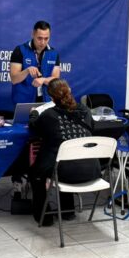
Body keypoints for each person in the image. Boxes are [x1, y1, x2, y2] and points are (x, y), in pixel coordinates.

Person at [28, 79, 100, 226]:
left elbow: (34, 127)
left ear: (51, 98)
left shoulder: (49, 115)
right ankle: (68, 211)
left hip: (65, 173)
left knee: (37, 172)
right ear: (70, 91)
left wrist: (33, 114)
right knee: (66, 160)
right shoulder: (85, 111)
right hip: (92, 170)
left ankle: (44, 217)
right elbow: (92, 128)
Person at [9, 20, 61, 104]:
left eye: (46, 38)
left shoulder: (54, 53)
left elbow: (55, 79)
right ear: (33, 34)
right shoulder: (20, 50)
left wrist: (43, 80)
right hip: (24, 101)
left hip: (46, 101)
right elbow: (14, 79)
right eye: (39, 38)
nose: (43, 42)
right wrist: (27, 71)